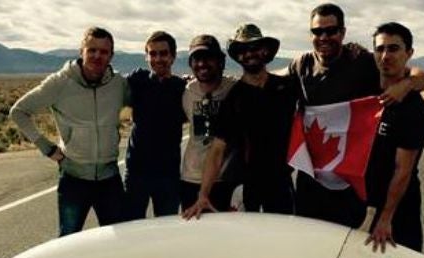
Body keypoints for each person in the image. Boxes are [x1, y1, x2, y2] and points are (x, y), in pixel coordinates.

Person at [288, 3, 424, 229]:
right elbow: (271, 83)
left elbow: (420, 75)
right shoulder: (301, 65)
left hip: (349, 181)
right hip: (312, 180)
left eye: (331, 31)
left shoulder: (362, 61)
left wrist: (407, 84)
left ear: (342, 33)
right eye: (317, 31)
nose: (324, 37)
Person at [10, 27, 128, 236]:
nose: (97, 56)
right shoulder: (60, 83)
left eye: (103, 51)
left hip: (110, 178)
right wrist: (46, 147)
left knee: (118, 240)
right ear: (81, 51)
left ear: (111, 55)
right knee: (68, 240)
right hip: (74, 178)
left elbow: (148, 100)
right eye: (92, 50)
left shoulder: (118, 84)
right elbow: (19, 111)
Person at [182, 24, 296, 219]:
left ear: (265, 50)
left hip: (283, 184)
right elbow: (217, 149)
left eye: (254, 48)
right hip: (250, 186)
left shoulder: (287, 87)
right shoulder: (234, 98)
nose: (249, 54)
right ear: (238, 56)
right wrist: (203, 195)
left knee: (282, 242)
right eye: (243, 50)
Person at [365, 22, 424, 252]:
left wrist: (386, 218)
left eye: (394, 49)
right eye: (380, 48)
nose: (386, 55)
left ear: (409, 53)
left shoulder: (414, 111)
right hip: (362, 200)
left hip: (397, 208)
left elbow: (402, 171)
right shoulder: (365, 86)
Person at [124, 31, 187, 220]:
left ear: (173, 56)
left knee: (167, 230)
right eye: (152, 54)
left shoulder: (181, 88)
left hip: (168, 174)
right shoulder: (137, 80)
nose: (158, 58)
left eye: (163, 53)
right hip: (137, 172)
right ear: (146, 57)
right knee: (131, 228)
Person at [180, 35, 241, 212]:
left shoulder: (234, 89)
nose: (202, 64)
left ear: (220, 61)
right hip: (191, 179)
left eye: (208, 58)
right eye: (197, 59)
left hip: (225, 180)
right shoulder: (185, 91)